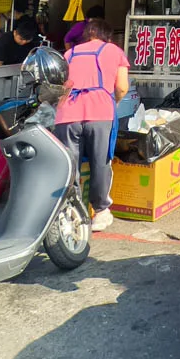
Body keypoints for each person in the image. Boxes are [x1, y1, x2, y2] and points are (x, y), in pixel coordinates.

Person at [55, 18, 130, 232]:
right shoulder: (114, 51)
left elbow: (60, 85)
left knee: (70, 166)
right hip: (99, 111)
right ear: (108, 34)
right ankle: (101, 212)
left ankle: (72, 212)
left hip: (67, 114)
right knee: (100, 162)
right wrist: (110, 102)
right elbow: (122, 87)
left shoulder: (70, 54)